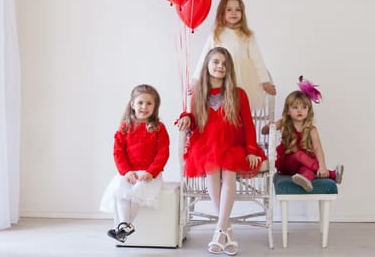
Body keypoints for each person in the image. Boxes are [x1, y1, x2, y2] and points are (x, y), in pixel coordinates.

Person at [177, 47, 266, 255]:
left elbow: (248, 125)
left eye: (225, 64)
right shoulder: (199, 94)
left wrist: (252, 149)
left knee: (228, 169)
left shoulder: (238, 94)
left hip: (232, 144)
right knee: (213, 165)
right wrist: (186, 117)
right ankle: (226, 232)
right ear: (207, 65)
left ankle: (220, 231)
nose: (220, 66)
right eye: (216, 62)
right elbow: (194, 120)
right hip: (205, 145)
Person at [100, 84, 170, 243]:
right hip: (130, 173)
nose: (144, 107)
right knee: (120, 190)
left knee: (137, 192)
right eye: (140, 103)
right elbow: (118, 153)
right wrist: (126, 172)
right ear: (132, 104)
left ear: (155, 106)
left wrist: (151, 172)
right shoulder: (125, 127)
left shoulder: (158, 128)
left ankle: (123, 227)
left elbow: (163, 153)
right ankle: (124, 226)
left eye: (149, 103)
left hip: (149, 175)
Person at [191, 0, 276, 111]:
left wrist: (264, 81)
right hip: (220, 77)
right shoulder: (216, 34)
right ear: (222, 13)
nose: (234, 13)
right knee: (222, 107)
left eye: (238, 10)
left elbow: (257, 59)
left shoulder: (247, 35)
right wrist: (196, 79)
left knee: (240, 106)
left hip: (241, 78)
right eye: (229, 9)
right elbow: (204, 57)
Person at [262, 85, 343, 193]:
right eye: (295, 107)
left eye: (304, 107)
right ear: (288, 110)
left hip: (304, 163)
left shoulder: (311, 129)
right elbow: (264, 132)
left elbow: (318, 148)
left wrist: (322, 166)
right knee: (298, 154)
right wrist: (268, 126)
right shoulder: (284, 123)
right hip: (287, 163)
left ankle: (306, 180)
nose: (299, 111)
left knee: (307, 170)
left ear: (308, 110)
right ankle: (332, 174)